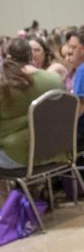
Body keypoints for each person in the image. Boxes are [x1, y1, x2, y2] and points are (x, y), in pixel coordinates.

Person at [0, 39, 66, 169]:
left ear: (6, 58)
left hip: (19, 157)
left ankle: (8, 190)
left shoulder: (5, 87)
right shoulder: (55, 79)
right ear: (31, 56)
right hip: (57, 152)